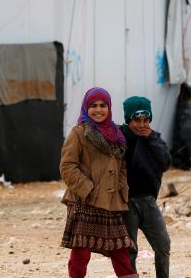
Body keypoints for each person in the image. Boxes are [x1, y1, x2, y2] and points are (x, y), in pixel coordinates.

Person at [59, 87, 138, 278]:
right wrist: (88, 189)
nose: (98, 110)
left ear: (109, 108)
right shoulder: (79, 133)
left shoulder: (116, 135)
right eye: (93, 105)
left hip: (111, 202)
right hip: (85, 201)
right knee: (81, 252)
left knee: (119, 249)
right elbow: (67, 166)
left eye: (103, 105)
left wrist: (121, 189)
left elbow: (122, 166)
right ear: (86, 108)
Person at [120, 96, 172, 278]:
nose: (141, 125)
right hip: (126, 202)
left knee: (163, 244)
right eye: (136, 120)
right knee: (129, 249)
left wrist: (151, 139)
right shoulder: (119, 137)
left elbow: (165, 162)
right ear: (128, 120)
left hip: (148, 200)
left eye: (145, 120)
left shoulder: (153, 138)